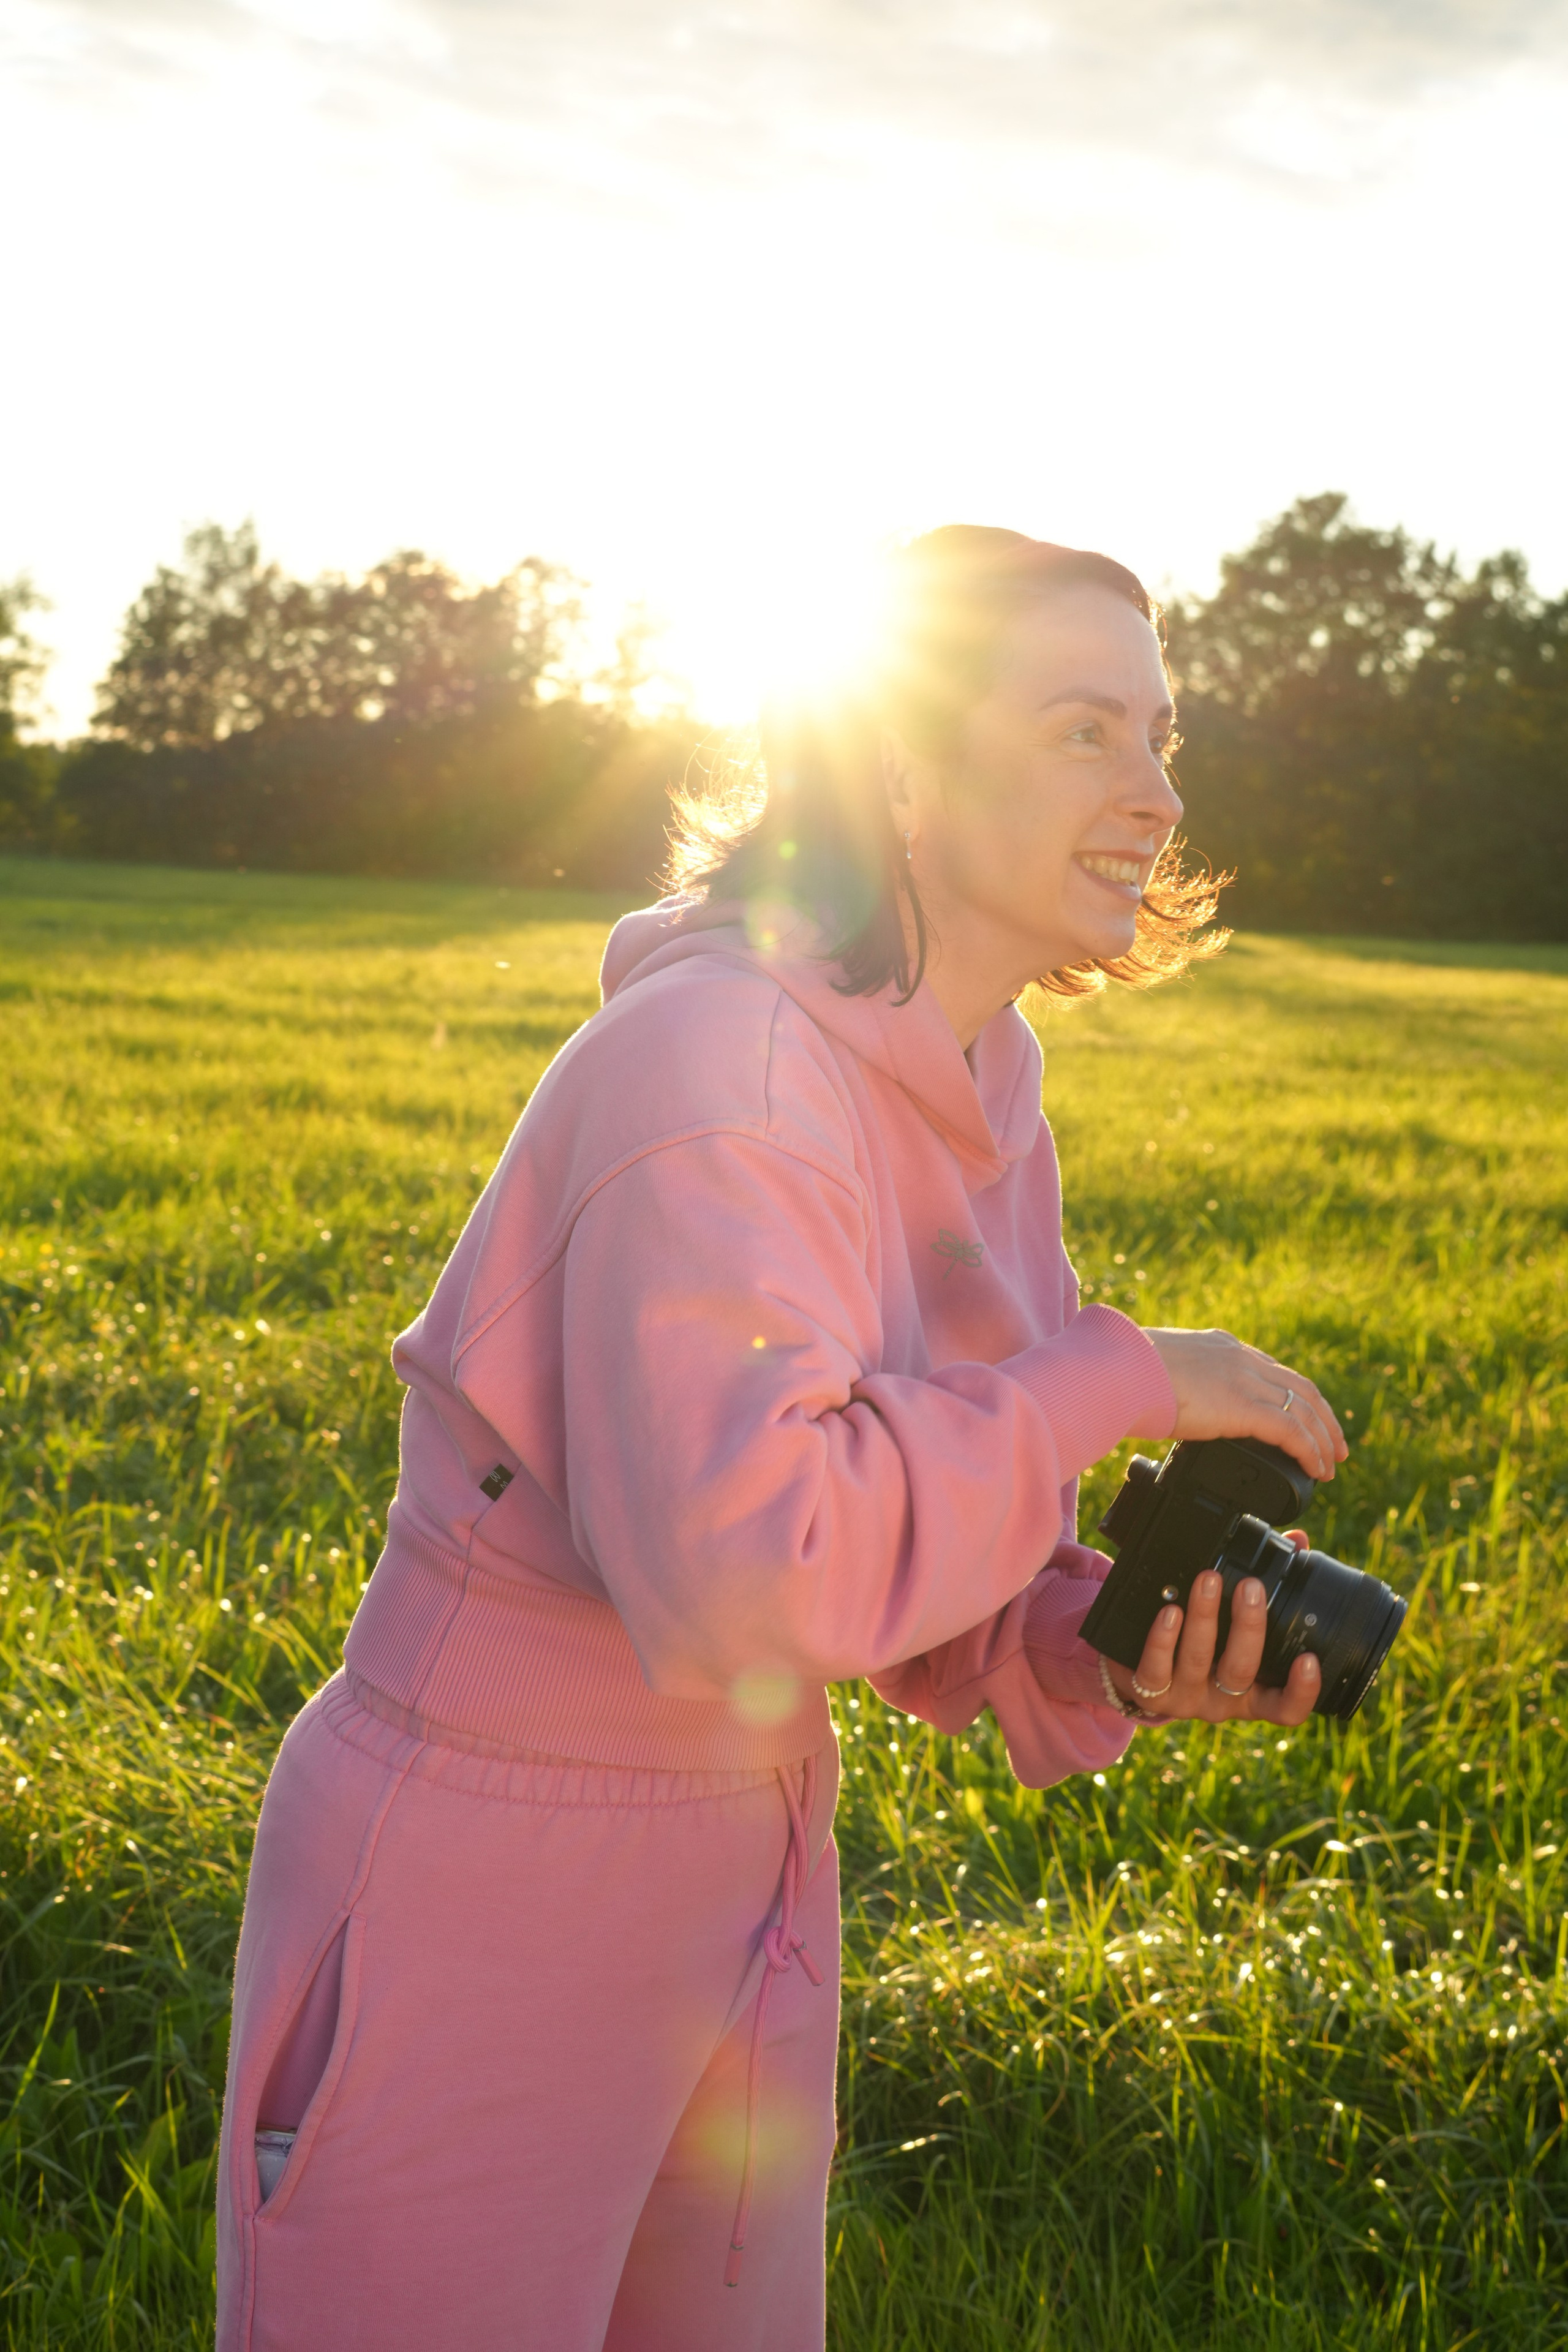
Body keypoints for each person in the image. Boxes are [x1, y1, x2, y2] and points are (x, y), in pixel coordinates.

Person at [215, 526, 1343, 2352]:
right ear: (899, 768)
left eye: (1164, 738)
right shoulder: (714, 1069)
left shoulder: (984, 1079)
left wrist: (1112, 1647)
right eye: (1085, 731)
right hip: (483, 1869)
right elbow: (760, 1569)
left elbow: (918, 1546)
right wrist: (1133, 1377)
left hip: (744, 1864)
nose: (1154, 795)